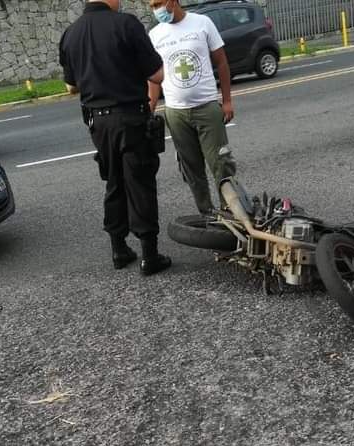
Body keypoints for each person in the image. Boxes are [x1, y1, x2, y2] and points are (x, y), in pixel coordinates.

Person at [59, 0, 171, 275]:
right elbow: (157, 75)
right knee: (140, 181)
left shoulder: (70, 33)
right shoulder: (126, 24)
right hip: (130, 117)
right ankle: (149, 255)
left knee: (113, 181)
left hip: (98, 123)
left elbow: (71, 86)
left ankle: (118, 249)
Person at [148, 0, 236, 216]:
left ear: (173, 1)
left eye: (158, 4)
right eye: (152, 6)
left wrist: (226, 101)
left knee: (221, 163)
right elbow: (154, 78)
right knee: (191, 169)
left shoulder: (202, 23)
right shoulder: (155, 35)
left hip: (207, 107)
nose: (156, 10)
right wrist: (149, 109)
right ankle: (207, 214)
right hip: (176, 113)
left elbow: (222, 62)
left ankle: (231, 211)